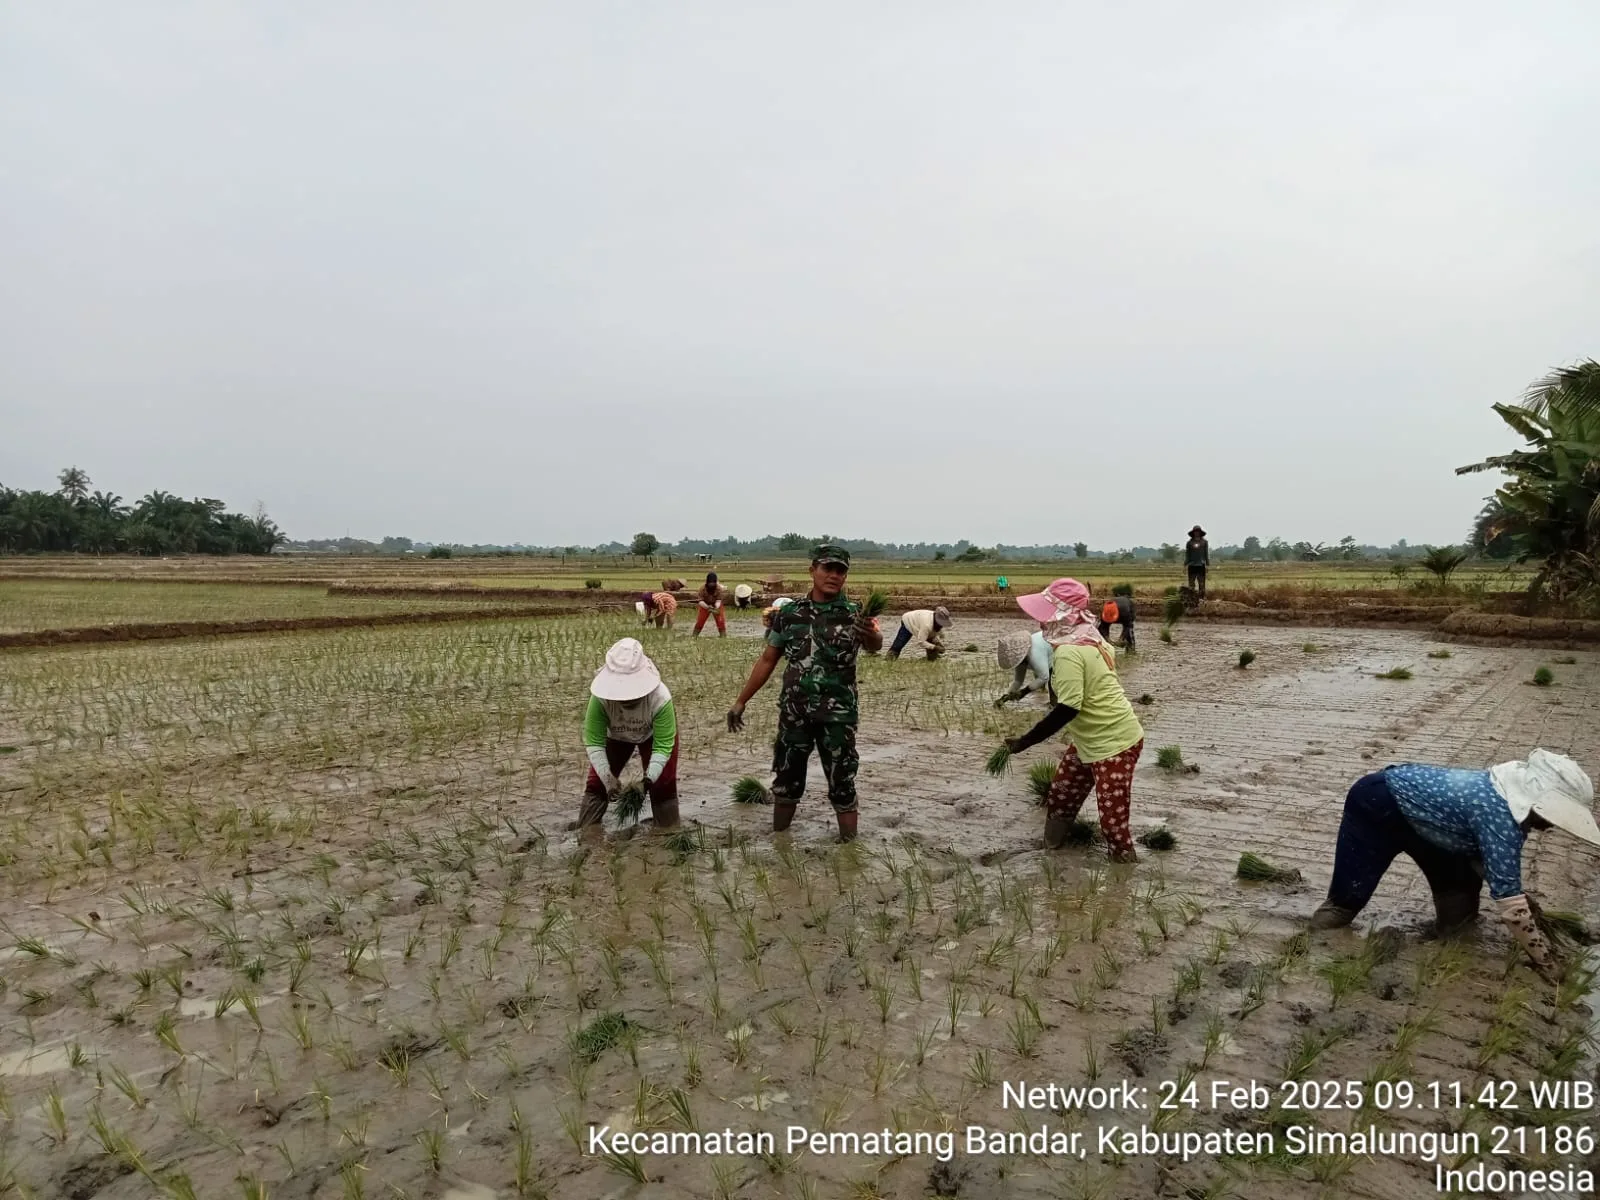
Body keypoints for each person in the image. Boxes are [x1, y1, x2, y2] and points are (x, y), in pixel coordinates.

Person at [1309, 749, 1598, 983]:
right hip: (1376, 804)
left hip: (1434, 829)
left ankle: (1443, 940)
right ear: (1536, 800)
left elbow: (1494, 870)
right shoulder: (1498, 814)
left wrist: (1521, 899)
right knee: (1345, 903)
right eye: (1554, 817)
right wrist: (1547, 963)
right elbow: (1509, 905)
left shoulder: (1509, 808)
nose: (1551, 826)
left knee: (1459, 917)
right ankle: (1306, 951)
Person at [726, 545, 883, 841]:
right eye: (828, 568)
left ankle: (850, 848)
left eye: (840, 570)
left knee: (842, 782)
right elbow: (768, 659)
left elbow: (876, 643)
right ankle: (779, 841)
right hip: (794, 715)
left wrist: (871, 634)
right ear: (812, 570)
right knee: (786, 779)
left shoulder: (855, 614)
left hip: (838, 717)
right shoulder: (789, 614)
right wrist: (741, 700)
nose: (834, 575)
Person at [1001, 578, 1146, 862]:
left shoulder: (1069, 652)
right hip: (1089, 739)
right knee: (1062, 793)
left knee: (1112, 824)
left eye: (1045, 616)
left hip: (1115, 744)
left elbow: (1067, 709)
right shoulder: (1089, 637)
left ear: (1061, 616)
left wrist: (1025, 741)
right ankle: (1051, 851)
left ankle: (1124, 872)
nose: (1040, 623)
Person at [577, 638, 680, 834]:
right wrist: (608, 779)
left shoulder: (660, 698)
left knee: (663, 785)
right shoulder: (599, 700)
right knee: (597, 784)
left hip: (652, 736)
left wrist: (647, 782)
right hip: (616, 736)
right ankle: (587, 831)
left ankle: (668, 833)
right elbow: (594, 742)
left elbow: (663, 746)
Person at [994, 629, 1052, 706]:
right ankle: (1053, 703)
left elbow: (1044, 677)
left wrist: (1024, 692)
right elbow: (1018, 681)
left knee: (1053, 679)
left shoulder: (1034, 654)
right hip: (1045, 648)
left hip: (1055, 647)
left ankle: (1054, 704)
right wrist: (1006, 697)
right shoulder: (1019, 659)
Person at [692, 572, 728, 637]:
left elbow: (718, 600)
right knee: (700, 621)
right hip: (705, 605)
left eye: (713, 583)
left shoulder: (719, 588)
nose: (711, 585)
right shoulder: (702, 589)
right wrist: (707, 607)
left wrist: (715, 607)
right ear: (707, 582)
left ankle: (723, 636)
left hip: (716, 605)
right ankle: (694, 636)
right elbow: (700, 601)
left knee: (720, 621)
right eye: (710, 583)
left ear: (715, 582)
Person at [1184, 526, 1210, 598]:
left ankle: (1201, 599)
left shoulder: (1204, 542)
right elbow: (1187, 554)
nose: (1197, 533)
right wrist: (1185, 565)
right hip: (1192, 565)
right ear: (1193, 533)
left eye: (1198, 531)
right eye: (1195, 531)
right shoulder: (1189, 543)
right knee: (1191, 584)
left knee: (1201, 584)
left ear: (1200, 532)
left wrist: (1207, 565)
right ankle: (1191, 600)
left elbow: (1206, 554)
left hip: (1201, 565)